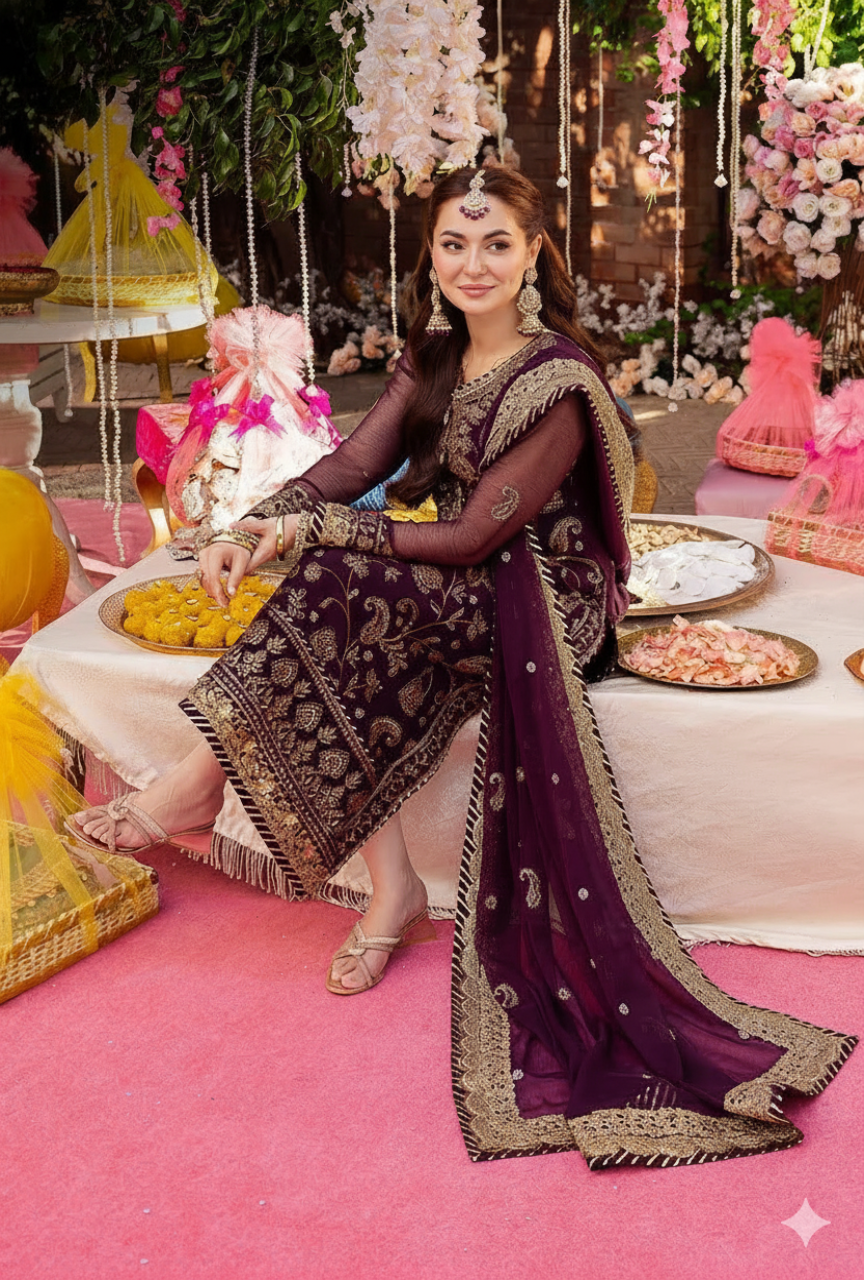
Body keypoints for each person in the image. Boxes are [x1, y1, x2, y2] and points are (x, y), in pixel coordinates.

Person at [70, 166, 855, 1168]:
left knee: (346, 580)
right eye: (452, 244)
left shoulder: (559, 378)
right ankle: (383, 884)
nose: (471, 263)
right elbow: (352, 467)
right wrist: (263, 525)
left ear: (533, 253)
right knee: (337, 590)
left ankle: (197, 785)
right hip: (457, 579)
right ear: (431, 257)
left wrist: (318, 533)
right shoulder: (433, 355)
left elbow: (479, 533)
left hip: (546, 595)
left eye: (494, 244)